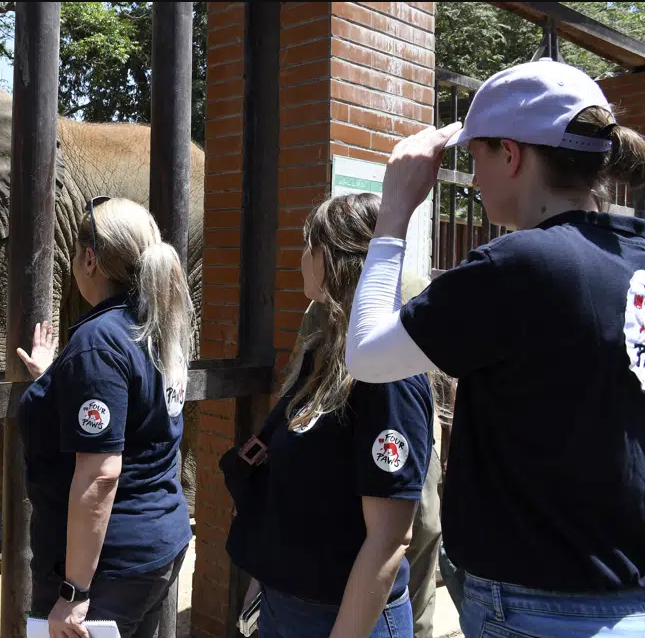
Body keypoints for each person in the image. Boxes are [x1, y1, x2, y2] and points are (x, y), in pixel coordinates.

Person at [345, 58, 645, 637]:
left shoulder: (521, 266)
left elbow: (366, 354)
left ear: (512, 155)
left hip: (536, 608)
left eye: (475, 156)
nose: (473, 176)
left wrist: (396, 210)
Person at [221, 192, 437, 638]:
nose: (300, 258)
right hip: (287, 606)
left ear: (333, 258)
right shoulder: (323, 354)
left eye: (308, 246)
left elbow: (390, 539)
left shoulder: (387, 374)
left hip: (341, 619)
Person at [16, 196, 194, 638]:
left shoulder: (99, 343)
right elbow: (135, 412)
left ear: (90, 259)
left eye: (75, 253)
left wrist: (73, 594)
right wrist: (55, 378)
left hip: (107, 567)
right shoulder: (154, 327)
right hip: (157, 543)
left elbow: (100, 476)